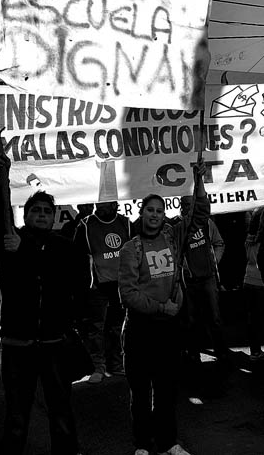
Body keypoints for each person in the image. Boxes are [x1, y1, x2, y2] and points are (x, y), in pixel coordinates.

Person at [0, 151, 89, 455]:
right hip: (17, 345)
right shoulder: (10, 239)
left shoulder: (64, 246)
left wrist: (70, 321)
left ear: (55, 215)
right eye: (36, 210)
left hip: (54, 344)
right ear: (26, 214)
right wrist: (2, 179)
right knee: (17, 415)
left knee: (60, 411)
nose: (42, 215)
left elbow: (74, 281)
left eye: (48, 210)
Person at [118, 158, 208, 455]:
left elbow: (198, 215)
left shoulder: (173, 236)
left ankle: (168, 442)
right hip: (141, 330)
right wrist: (160, 308)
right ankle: (143, 445)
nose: (155, 215)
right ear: (141, 213)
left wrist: (200, 180)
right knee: (141, 392)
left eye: (159, 211)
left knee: (167, 390)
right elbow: (128, 294)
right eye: (150, 210)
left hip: (168, 330)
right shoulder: (132, 248)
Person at [74, 200, 131, 381]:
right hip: (97, 285)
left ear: (115, 203)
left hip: (121, 285)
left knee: (117, 327)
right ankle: (97, 367)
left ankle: (116, 363)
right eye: (100, 204)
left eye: (107, 204)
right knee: (96, 328)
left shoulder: (126, 223)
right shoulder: (85, 225)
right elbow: (77, 255)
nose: (102, 207)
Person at [176, 196, 227, 364]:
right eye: (184, 205)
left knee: (214, 317)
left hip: (208, 278)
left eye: (190, 205)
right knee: (191, 319)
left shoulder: (206, 223)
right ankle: (193, 353)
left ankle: (221, 351)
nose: (187, 209)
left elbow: (219, 243)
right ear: (180, 207)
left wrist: (213, 263)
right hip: (188, 280)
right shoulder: (177, 227)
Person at [243, 207, 264, 362]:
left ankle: (255, 352)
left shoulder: (249, 239)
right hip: (261, 282)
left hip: (249, 280)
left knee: (254, 320)